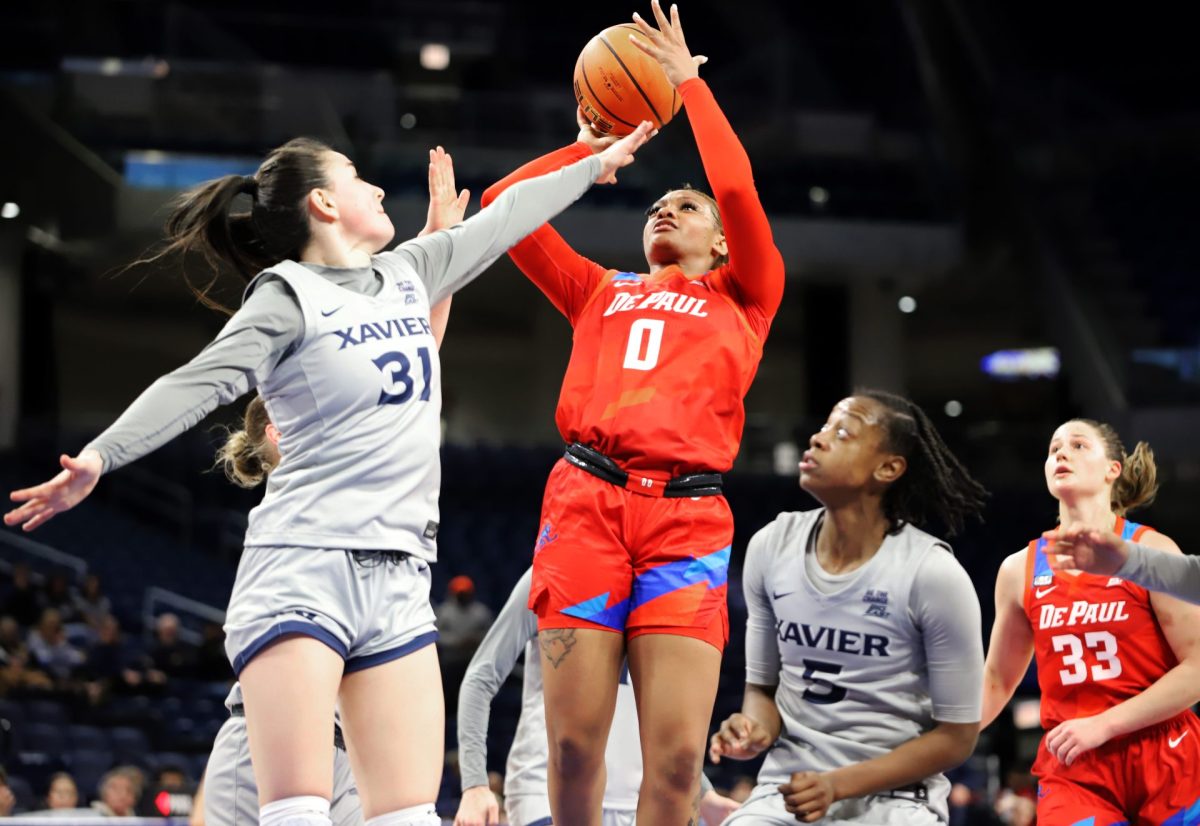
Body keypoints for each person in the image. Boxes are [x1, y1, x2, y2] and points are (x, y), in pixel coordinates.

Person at [5, 114, 654, 826]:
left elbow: (508, 218)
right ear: (321, 202)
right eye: (356, 177)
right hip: (303, 567)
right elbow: (197, 382)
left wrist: (592, 159)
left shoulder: (411, 271)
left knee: (408, 817)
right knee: (298, 815)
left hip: (401, 576)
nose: (378, 188)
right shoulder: (287, 296)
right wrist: (100, 457)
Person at [478, 4, 784, 823]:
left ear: (722, 244)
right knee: (573, 750)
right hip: (585, 506)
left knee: (679, 759)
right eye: (659, 206)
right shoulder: (597, 291)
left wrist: (688, 84)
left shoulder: (746, 296)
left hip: (687, 519)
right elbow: (506, 204)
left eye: (686, 208)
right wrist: (584, 151)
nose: (667, 212)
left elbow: (735, 186)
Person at [200, 148, 467, 826]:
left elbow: (411, 352)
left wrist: (439, 252)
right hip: (278, 726)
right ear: (274, 433)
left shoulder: (359, 425)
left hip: (359, 729)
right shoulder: (308, 444)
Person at [710, 392, 987, 824]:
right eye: (822, 427)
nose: (818, 439)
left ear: (888, 468)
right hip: (786, 793)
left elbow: (956, 737)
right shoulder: (770, 547)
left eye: (843, 432)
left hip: (896, 801)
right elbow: (762, 690)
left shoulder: (933, 575)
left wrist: (838, 784)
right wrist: (752, 730)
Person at [980, 418, 1200, 823]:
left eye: (1078, 445)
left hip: (1166, 751)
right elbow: (995, 682)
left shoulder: (1149, 550)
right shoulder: (1019, 569)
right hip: (1075, 762)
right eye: (1053, 448)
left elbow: (1198, 669)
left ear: (1112, 469)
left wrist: (1105, 724)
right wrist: (934, 744)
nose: (1061, 453)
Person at [453, 567, 739, 826]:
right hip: (543, 790)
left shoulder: (663, 582)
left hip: (636, 800)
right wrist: (475, 783)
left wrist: (702, 793)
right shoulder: (552, 569)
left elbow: (656, 713)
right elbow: (480, 678)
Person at [1045, 523, 1200, 604]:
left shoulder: (1155, 543)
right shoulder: (1026, 560)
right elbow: (1193, 577)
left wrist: (1128, 561)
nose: (1060, 459)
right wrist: (1127, 560)